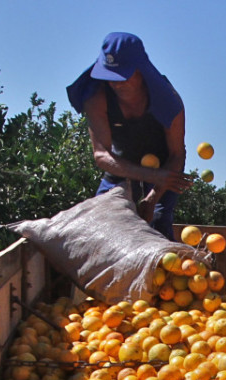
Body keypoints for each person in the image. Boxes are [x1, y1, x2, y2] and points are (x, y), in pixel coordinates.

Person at [67, 32, 193, 237]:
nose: (115, 84)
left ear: (141, 70)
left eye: (122, 77)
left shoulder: (169, 101)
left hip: (165, 164)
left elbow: (177, 154)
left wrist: (151, 200)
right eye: (109, 77)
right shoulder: (96, 97)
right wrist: (150, 175)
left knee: (158, 222)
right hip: (121, 160)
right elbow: (101, 156)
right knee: (104, 219)